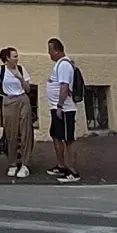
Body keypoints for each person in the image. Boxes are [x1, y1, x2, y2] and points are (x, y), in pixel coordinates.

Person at [0, 47, 35, 181]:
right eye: (14, 56)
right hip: (9, 101)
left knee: (25, 132)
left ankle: (25, 164)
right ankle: (12, 163)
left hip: (22, 100)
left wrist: (20, 77)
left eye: (17, 56)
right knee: (11, 133)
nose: (17, 58)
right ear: (7, 59)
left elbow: (28, 89)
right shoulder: (1, 70)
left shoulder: (21, 69)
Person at [45, 37, 79, 182]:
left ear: (56, 50)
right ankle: (61, 165)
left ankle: (72, 171)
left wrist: (59, 106)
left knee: (68, 139)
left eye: (50, 51)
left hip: (65, 109)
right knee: (56, 135)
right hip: (57, 108)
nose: (49, 54)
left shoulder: (64, 65)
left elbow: (64, 88)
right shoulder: (60, 64)